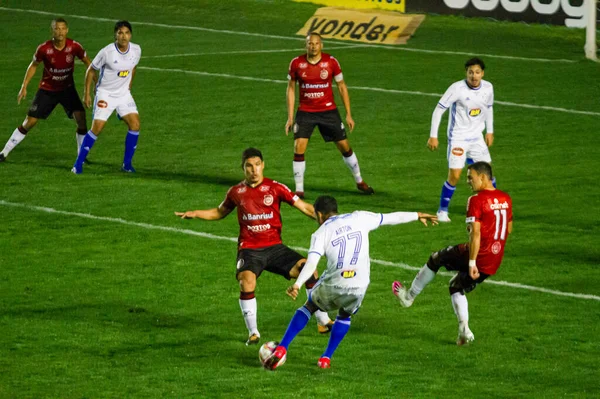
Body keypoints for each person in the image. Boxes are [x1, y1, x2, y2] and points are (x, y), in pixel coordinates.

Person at [175, 148, 334, 345]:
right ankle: (253, 332)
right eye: (249, 166)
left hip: (275, 248)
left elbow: (304, 206)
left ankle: (322, 321)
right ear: (243, 168)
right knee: (246, 281)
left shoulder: (276, 188)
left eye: (257, 165)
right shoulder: (236, 192)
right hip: (250, 249)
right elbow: (219, 212)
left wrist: (330, 221)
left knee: (308, 269)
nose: (254, 170)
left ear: (263, 165)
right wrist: (196, 213)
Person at [263, 195, 437, 370]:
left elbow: (311, 263)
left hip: (335, 282)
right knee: (345, 314)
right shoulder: (360, 217)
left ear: (320, 214)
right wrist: (417, 214)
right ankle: (325, 358)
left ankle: (281, 349)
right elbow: (391, 218)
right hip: (359, 285)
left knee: (309, 306)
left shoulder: (321, 232)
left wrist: (298, 284)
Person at [393, 162, 512, 345]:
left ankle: (409, 297)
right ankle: (464, 328)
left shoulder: (476, 200)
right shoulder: (505, 198)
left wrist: (472, 263)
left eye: (470, 177)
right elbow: (508, 229)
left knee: (436, 258)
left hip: (478, 255)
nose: (468, 182)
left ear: (482, 177)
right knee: (456, 286)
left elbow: (476, 234)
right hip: (494, 260)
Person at [286, 32, 374, 198]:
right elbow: (290, 89)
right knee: (298, 147)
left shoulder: (331, 62)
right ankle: (299, 190)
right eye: (310, 44)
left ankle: (359, 181)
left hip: (328, 111)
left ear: (321, 45)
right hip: (305, 111)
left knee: (345, 147)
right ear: (306, 45)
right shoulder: (297, 63)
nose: (313, 46)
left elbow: (341, 86)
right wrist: (290, 117)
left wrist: (348, 114)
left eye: (316, 43)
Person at [0, 18, 91, 163]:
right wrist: (24, 86)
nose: (60, 32)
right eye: (57, 28)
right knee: (29, 122)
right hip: (47, 90)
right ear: (52, 30)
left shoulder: (74, 46)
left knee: (81, 120)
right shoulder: (44, 49)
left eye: (62, 29)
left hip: (67, 90)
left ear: (67, 30)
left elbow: (89, 64)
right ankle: (4, 152)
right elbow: (34, 65)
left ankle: (81, 156)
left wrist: (95, 84)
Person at [428, 57, 496, 222]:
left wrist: (490, 131)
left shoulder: (488, 88)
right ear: (466, 72)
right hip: (458, 138)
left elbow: (489, 108)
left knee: (486, 173)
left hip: (477, 138)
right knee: (455, 176)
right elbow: (438, 110)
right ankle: (442, 211)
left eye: (477, 72)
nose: (474, 76)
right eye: (470, 72)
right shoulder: (456, 88)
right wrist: (433, 135)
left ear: (482, 73)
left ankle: (492, 208)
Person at [71, 20, 141, 174]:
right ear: (115, 35)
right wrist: (87, 93)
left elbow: (133, 67)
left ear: (131, 35)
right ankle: (78, 164)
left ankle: (127, 165)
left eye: (126, 33)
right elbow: (91, 70)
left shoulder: (136, 50)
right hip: (105, 94)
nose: (123, 36)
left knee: (135, 125)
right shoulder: (107, 52)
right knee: (97, 128)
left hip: (123, 94)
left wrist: (128, 86)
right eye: (120, 33)